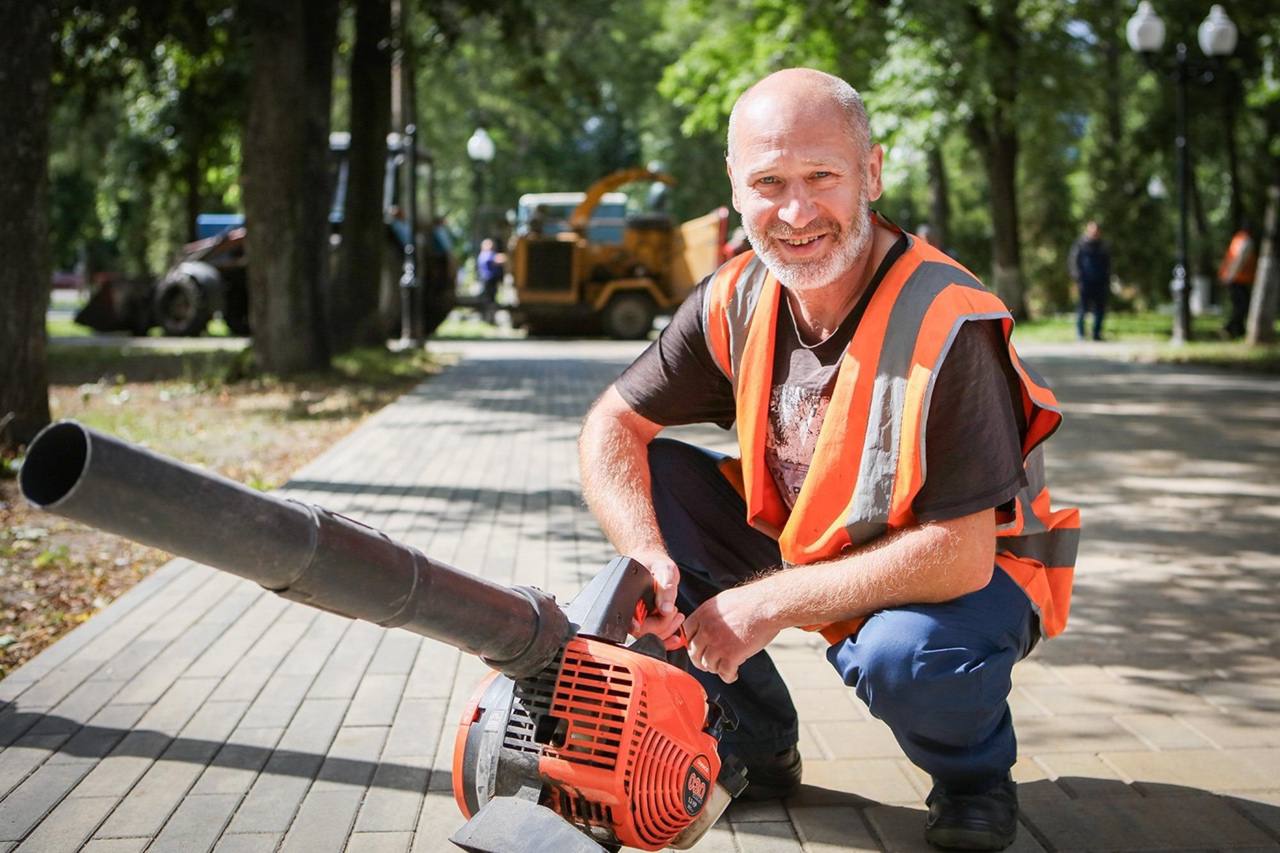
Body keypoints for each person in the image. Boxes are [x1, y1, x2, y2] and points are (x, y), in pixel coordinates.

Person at [578, 68, 1079, 851]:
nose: (797, 211)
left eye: (823, 177)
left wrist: (765, 604)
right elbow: (612, 426)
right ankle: (756, 740)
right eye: (769, 181)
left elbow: (961, 552)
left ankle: (974, 778)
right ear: (736, 189)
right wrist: (646, 556)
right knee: (663, 485)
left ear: (871, 172)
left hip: (976, 574)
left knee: (908, 658)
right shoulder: (733, 296)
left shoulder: (949, 320)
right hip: (826, 545)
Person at [1067, 221, 1111, 341]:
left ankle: (1096, 334)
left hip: (1100, 282)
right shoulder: (1080, 244)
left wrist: (1107, 278)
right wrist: (1077, 278)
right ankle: (1080, 334)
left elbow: (1108, 264)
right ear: (1087, 230)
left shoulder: (1103, 246)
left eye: (1096, 231)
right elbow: (1073, 262)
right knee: (1082, 308)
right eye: (1092, 230)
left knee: (1100, 310)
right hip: (1084, 282)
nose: (1094, 233)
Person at [1219, 224, 1257, 339]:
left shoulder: (1238, 239)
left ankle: (1239, 331)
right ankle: (1228, 328)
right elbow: (1239, 259)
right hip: (1237, 278)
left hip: (1234, 277)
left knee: (1239, 305)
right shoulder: (1246, 241)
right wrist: (1230, 276)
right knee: (1242, 305)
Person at [475, 238, 505, 323]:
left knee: (491, 299)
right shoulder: (485, 254)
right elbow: (497, 260)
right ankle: (488, 318)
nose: (491, 246)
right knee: (489, 300)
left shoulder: (488, 254)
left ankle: (489, 318)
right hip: (488, 280)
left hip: (491, 280)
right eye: (489, 244)